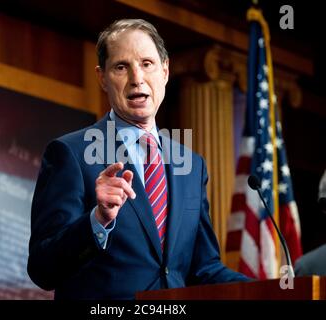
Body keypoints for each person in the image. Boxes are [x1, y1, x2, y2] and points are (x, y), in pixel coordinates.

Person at [27, 18, 249, 300]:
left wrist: (269, 291)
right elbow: (43, 268)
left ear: (165, 71)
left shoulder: (191, 165)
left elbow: (204, 268)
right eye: (121, 67)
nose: (137, 78)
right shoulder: (71, 153)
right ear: (102, 77)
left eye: (147, 64)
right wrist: (97, 220)